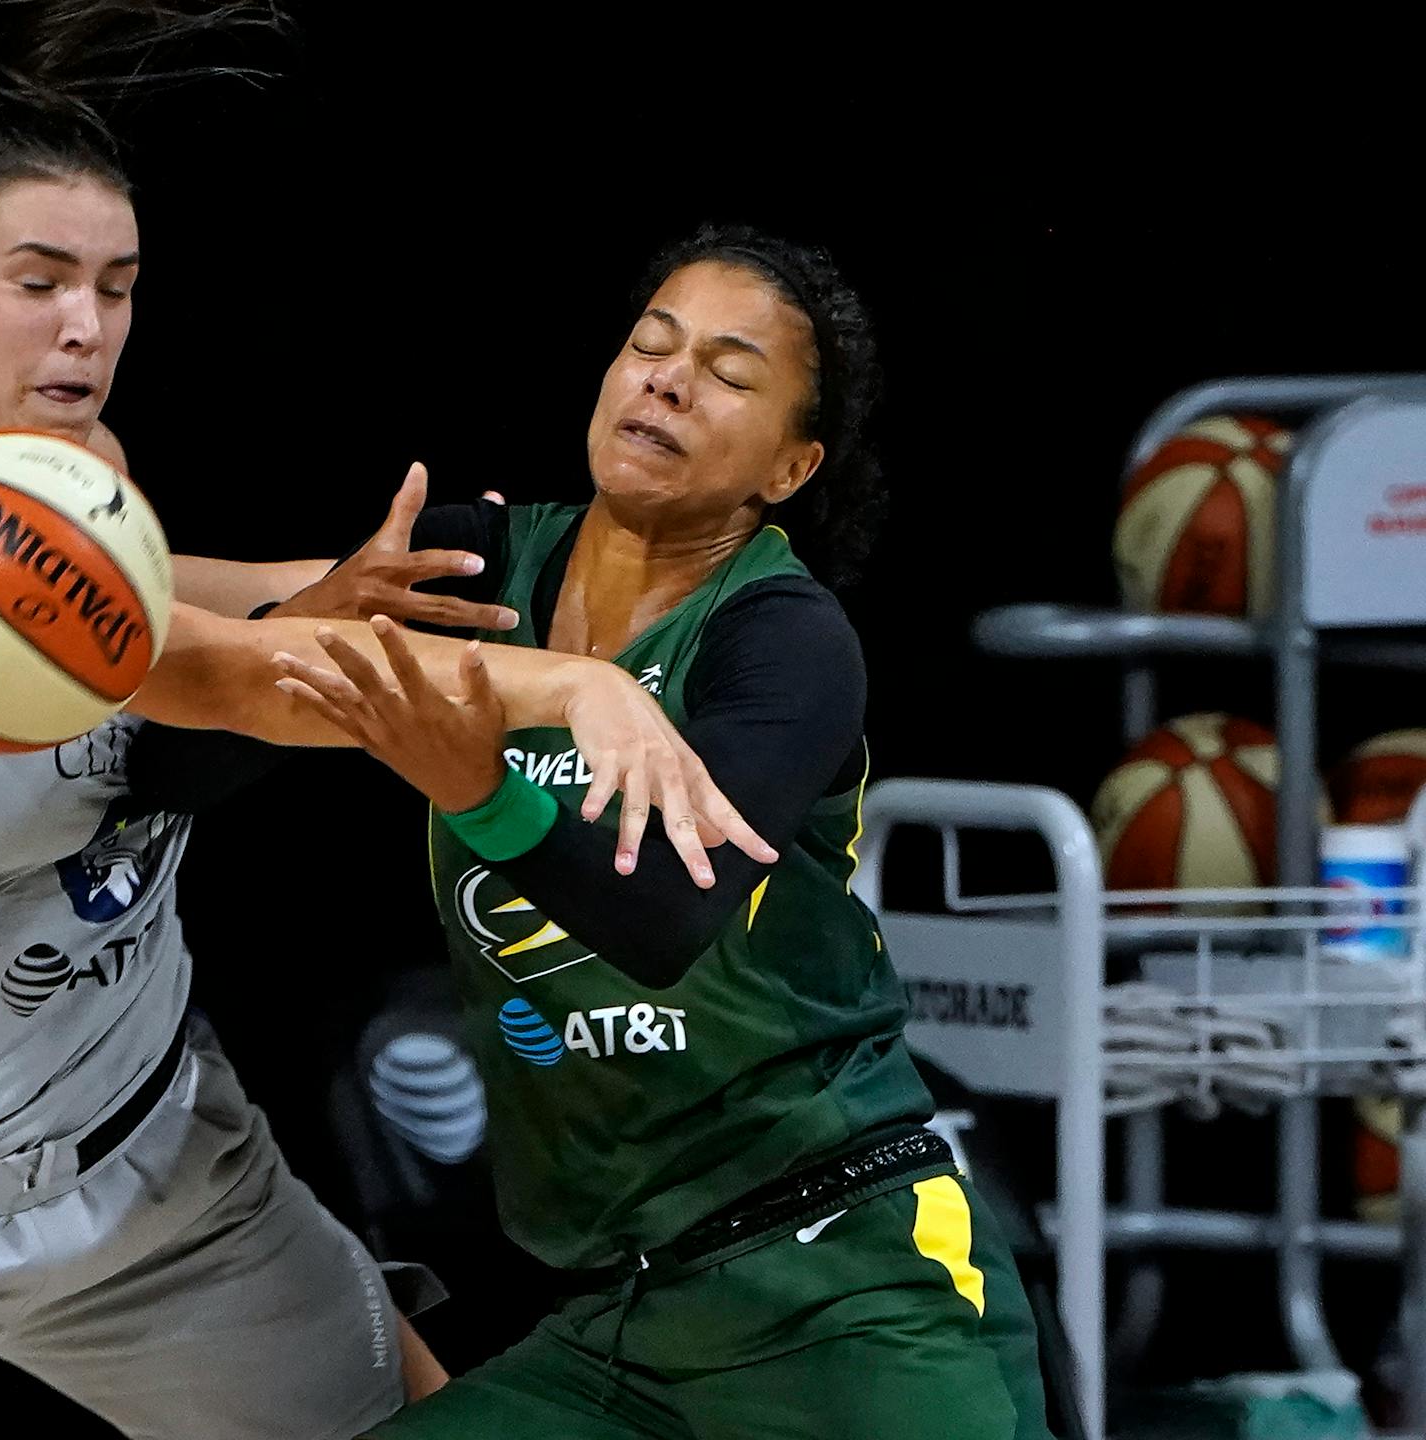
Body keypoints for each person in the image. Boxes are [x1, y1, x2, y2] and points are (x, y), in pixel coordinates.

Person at [0, 7, 768, 1438]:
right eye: (38, 283)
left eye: (117, 285)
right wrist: (571, 690)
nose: (87, 327)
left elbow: (200, 607)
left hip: (154, 1186)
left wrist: (343, 587)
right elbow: (232, 678)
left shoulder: (86, 479)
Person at [275, 222, 1058, 1440]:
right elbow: (217, 684)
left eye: (730, 373)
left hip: (848, 1287)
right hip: (622, 1325)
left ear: (789, 469)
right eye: (650, 343)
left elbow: (663, 910)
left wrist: (482, 785)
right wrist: (276, 620)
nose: (669, 378)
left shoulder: (783, 641)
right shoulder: (476, 569)